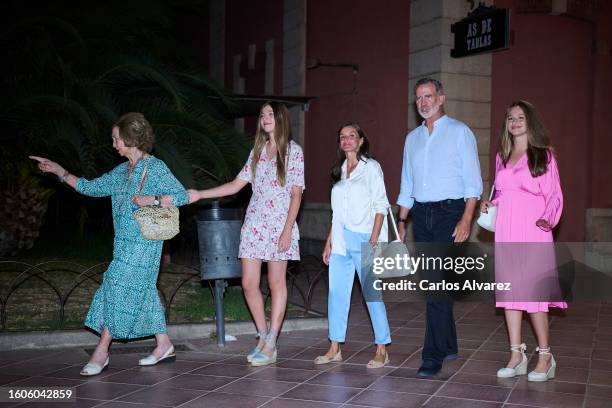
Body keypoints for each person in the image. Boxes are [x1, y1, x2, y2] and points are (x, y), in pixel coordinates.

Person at [30, 112, 189, 376]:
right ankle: (164, 345)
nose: (113, 144)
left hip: (145, 243)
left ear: (131, 138)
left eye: (116, 139)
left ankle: (102, 351)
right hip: (124, 243)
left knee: (115, 284)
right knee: (143, 290)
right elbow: (89, 188)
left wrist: (152, 200)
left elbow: (182, 195)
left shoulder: (156, 168)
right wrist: (59, 171)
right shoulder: (121, 171)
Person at [188, 102, 304, 366]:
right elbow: (234, 186)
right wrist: (200, 193)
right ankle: (263, 335)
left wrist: (287, 230)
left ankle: (272, 341)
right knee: (249, 284)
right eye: (262, 115)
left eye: (270, 114)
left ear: (281, 118)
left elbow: (296, 194)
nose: (265, 118)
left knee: (276, 284)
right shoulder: (257, 151)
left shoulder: (293, 152)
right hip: (254, 225)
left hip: (279, 225)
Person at [397, 77, 482, 377]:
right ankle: (448, 344)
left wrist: (466, 219)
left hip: (450, 212)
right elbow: (407, 183)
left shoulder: (460, 132)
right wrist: (402, 220)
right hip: (422, 214)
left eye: (429, 96)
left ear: (441, 98)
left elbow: (473, 182)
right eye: (419, 98)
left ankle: (432, 355)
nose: (423, 102)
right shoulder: (412, 138)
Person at [481, 100, 565, 382]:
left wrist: (548, 219)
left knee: (535, 295)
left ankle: (545, 356)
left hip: (534, 230)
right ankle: (516, 355)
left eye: (520, 117)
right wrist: (489, 203)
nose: (514, 122)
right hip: (507, 230)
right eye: (510, 118)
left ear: (530, 122)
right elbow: (503, 193)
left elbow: (555, 195)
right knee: (510, 294)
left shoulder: (544, 156)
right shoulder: (502, 155)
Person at [315, 123, 392, 369]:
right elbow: (336, 213)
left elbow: (381, 205)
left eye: (352, 136)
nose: (347, 140)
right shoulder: (338, 171)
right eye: (342, 137)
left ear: (360, 141)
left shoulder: (372, 168)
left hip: (366, 238)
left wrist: (374, 238)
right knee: (336, 295)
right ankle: (335, 347)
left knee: (372, 295)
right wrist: (329, 242)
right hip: (340, 241)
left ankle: (382, 348)